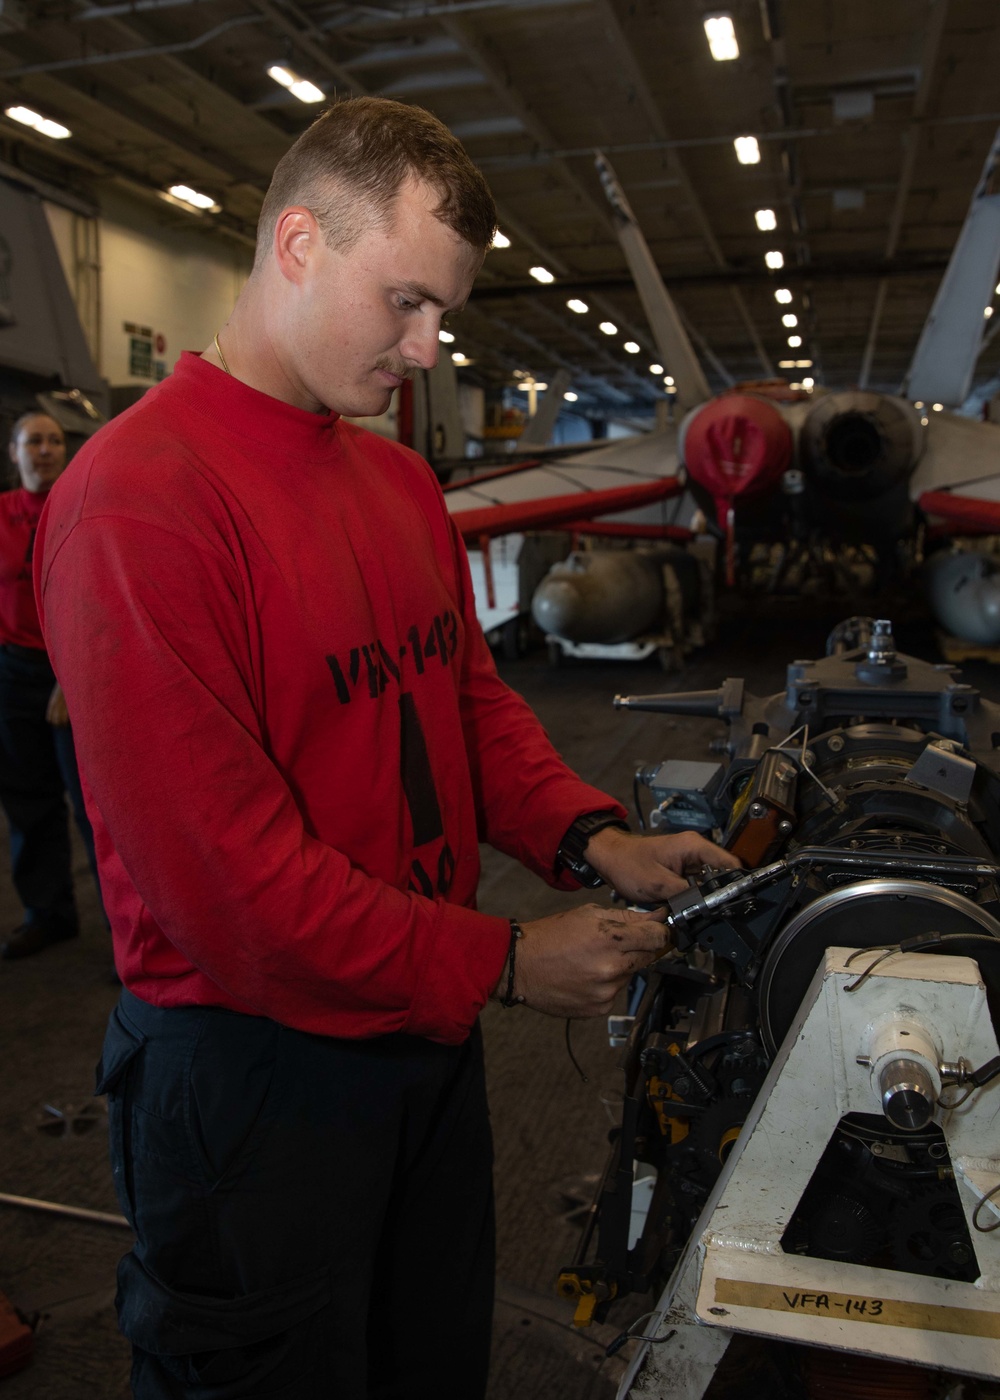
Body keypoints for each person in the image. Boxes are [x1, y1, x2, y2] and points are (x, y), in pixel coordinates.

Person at [35, 97, 737, 1398]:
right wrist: (510, 962)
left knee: (425, 1363)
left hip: (419, 1029)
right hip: (252, 1070)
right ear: (297, 242)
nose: (429, 345)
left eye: (446, 312)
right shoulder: (143, 500)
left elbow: (462, 709)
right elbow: (230, 898)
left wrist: (592, 839)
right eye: (406, 301)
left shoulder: (399, 483)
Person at [0, 410, 103, 959]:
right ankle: (49, 914)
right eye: (32, 441)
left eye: (54, 441)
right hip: (13, 672)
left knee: (96, 805)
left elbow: (93, 594)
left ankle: (128, 931)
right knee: (27, 800)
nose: (44, 450)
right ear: (13, 453)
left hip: (72, 671)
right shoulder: (0, 515)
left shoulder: (81, 505)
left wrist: (72, 674)